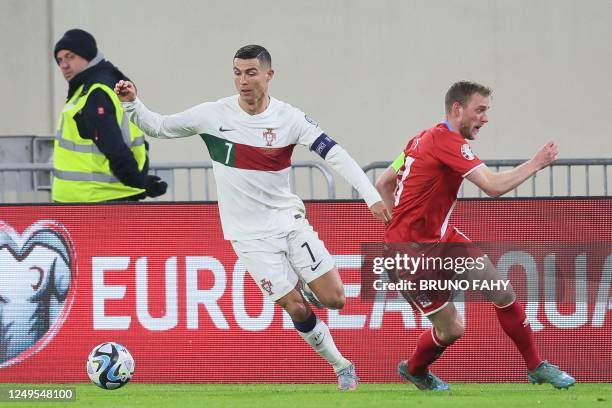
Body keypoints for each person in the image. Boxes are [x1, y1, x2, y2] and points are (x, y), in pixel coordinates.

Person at [114, 44, 391, 390]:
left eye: (251, 72)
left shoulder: (290, 118)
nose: (242, 81)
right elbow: (159, 127)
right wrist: (132, 103)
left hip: (288, 221)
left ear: (269, 75)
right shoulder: (213, 115)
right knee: (296, 307)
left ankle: (305, 282)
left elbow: (334, 153)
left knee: (336, 299)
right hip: (247, 235)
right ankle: (341, 365)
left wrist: (370, 196)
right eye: (237, 72)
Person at [375, 81, 576, 391]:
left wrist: (398, 224)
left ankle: (536, 365)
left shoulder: (420, 139)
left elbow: (384, 182)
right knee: (453, 329)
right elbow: (492, 186)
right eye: (480, 110)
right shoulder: (448, 142)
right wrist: (537, 163)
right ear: (458, 109)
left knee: (502, 292)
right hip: (411, 257)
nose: (485, 118)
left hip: (442, 240)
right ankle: (415, 369)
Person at [52, 29, 167, 202]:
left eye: (70, 56)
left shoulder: (95, 91)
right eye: (60, 60)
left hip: (95, 200)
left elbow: (113, 146)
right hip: (101, 197)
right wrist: (140, 182)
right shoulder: (103, 84)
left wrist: (139, 182)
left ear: (88, 55)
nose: (64, 65)